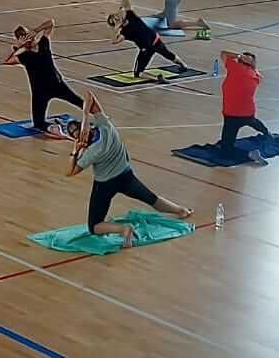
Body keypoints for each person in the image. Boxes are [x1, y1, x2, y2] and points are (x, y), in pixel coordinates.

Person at [63, 92, 192, 248]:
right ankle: (181, 211)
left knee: (94, 226)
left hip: (105, 185)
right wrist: (85, 117)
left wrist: (75, 150)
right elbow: (89, 96)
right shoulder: (105, 126)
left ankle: (123, 229)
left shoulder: (92, 153)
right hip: (126, 175)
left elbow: (69, 172)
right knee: (152, 198)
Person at [1, 19, 81, 138]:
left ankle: (52, 128)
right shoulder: (42, 44)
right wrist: (36, 30)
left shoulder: (24, 56)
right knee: (78, 101)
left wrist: (17, 46)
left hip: (41, 91)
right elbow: (51, 23)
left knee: (39, 123)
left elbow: (5, 60)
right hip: (55, 86)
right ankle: (100, 116)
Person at [109, 0, 188, 80]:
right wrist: (116, 28)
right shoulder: (126, 27)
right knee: (168, 54)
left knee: (139, 74)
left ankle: (159, 77)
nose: (117, 17)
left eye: (116, 16)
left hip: (148, 46)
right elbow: (115, 41)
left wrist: (121, 9)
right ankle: (181, 66)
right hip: (153, 42)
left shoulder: (129, 16)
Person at [218, 50, 272, 165]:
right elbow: (256, 72)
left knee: (225, 149)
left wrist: (238, 55)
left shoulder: (235, 68)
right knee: (252, 121)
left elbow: (223, 53)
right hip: (248, 112)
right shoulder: (255, 75)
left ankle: (249, 155)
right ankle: (266, 132)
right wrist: (251, 64)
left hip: (231, 113)